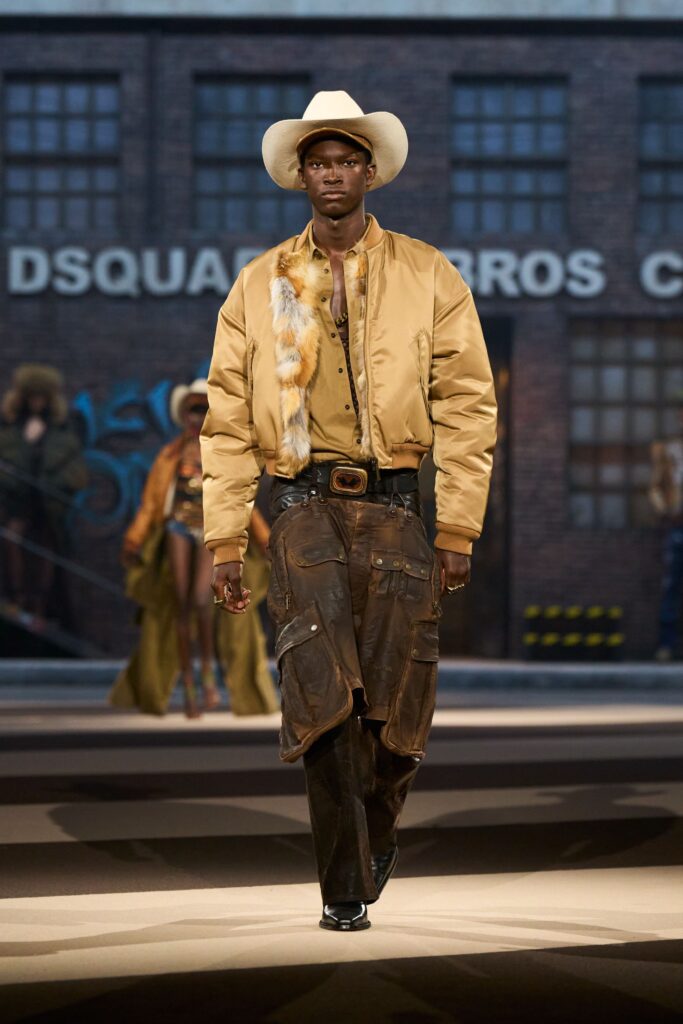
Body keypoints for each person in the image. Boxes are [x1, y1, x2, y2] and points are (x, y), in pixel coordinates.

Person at [201, 91, 497, 930]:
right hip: (299, 503)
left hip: (398, 503)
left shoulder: (427, 273)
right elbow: (227, 416)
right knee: (320, 690)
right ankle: (342, 887)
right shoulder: (258, 282)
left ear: (369, 173)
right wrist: (225, 538)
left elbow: (467, 404)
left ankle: (375, 831)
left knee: (397, 706)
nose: (332, 174)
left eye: (346, 161)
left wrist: (457, 526)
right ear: (301, 177)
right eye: (318, 162)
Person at [110, 379, 278, 719]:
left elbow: (243, 501)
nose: (197, 417)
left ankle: (207, 674)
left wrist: (265, 539)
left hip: (209, 530)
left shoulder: (224, 452)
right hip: (177, 528)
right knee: (181, 604)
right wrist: (134, 539)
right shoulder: (170, 455)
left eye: (204, 409)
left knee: (202, 599)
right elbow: (150, 503)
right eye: (193, 410)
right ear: (184, 414)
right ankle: (188, 684)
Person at [0, 363, 87, 621]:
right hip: (19, 500)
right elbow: (11, 461)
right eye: (32, 397)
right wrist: (27, 443)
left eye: (41, 397)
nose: (36, 402)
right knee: (13, 538)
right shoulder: (13, 427)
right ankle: (18, 596)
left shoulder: (60, 427)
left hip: (48, 502)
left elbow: (71, 466)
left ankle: (39, 603)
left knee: (47, 546)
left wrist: (54, 484)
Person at [649, 397, 683, 661]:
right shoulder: (668, 451)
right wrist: (666, 511)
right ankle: (667, 644)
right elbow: (654, 488)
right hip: (678, 525)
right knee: (672, 584)